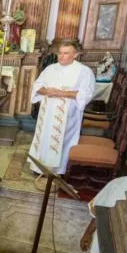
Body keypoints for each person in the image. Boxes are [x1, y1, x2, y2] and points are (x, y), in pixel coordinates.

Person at [28, 40, 95, 177]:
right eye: (60, 53)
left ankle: (58, 171)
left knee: (62, 140)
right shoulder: (50, 68)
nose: (61, 56)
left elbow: (85, 94)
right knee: (43, 138)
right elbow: (37, 86)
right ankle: (39, 167)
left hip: (67, 114)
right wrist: (46, 91)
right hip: (46, 113)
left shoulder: (84, 72)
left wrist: (61, 93)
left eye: (66, 53)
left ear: (75, 55)